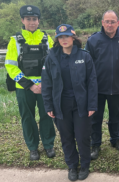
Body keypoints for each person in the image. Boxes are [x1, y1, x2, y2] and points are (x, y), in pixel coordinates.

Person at [41, 24, 97, 181]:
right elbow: (46, 84)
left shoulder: (84, 56)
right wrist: (48, 105)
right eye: (60, 37)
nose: (64, 39)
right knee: (66, 137)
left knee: (82, 136)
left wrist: (92, 104)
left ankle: (85, 165)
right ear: (57, 39)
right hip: (60, 105)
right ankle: (72, 166)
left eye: (66, 36)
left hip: (81, 104)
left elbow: (92, 82)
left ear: (73, 37)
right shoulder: (51, 58)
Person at [4, 5, 56, 161]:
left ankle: (48, 145)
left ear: (39, 21)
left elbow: (54, 63)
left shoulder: (47, 39)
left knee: (47, 115)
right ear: (22, 20)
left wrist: (45, 85)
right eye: (28, 19)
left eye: (34, 19)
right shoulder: (15, 41)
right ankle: (33, 147)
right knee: (28, 117)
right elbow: (10, 66)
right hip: (24, 88)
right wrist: (30, 85)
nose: (31, 22)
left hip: (45, 87)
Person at [85, 10, 119, 160]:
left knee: (116, 116)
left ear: (118, 23)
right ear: (102, 23)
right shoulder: (93, 40)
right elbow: (86, 66)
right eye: (107, 21)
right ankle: (96, 144)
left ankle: (115, 140)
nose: (110, 24)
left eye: (113, 21)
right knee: (95, 118)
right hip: (97, 89)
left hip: (117, 87)